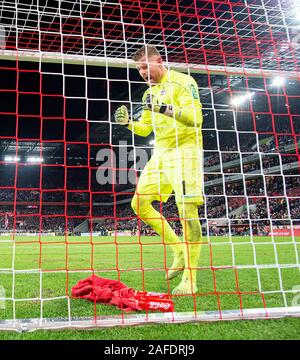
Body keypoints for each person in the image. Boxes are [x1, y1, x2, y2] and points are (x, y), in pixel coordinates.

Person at [114, 45, 203, 294]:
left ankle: (190, 280)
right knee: (138, 204)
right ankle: (178, 250)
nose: (142, 72)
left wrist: (163, 108)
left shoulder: (183, 82)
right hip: (160, 154)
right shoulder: (147, 95)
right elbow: (145, 129)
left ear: (159, 61)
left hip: (185, 151)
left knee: (187, 212)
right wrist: (129, 123)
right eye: (139, 69)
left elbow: (196, 119)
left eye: (145, 66)